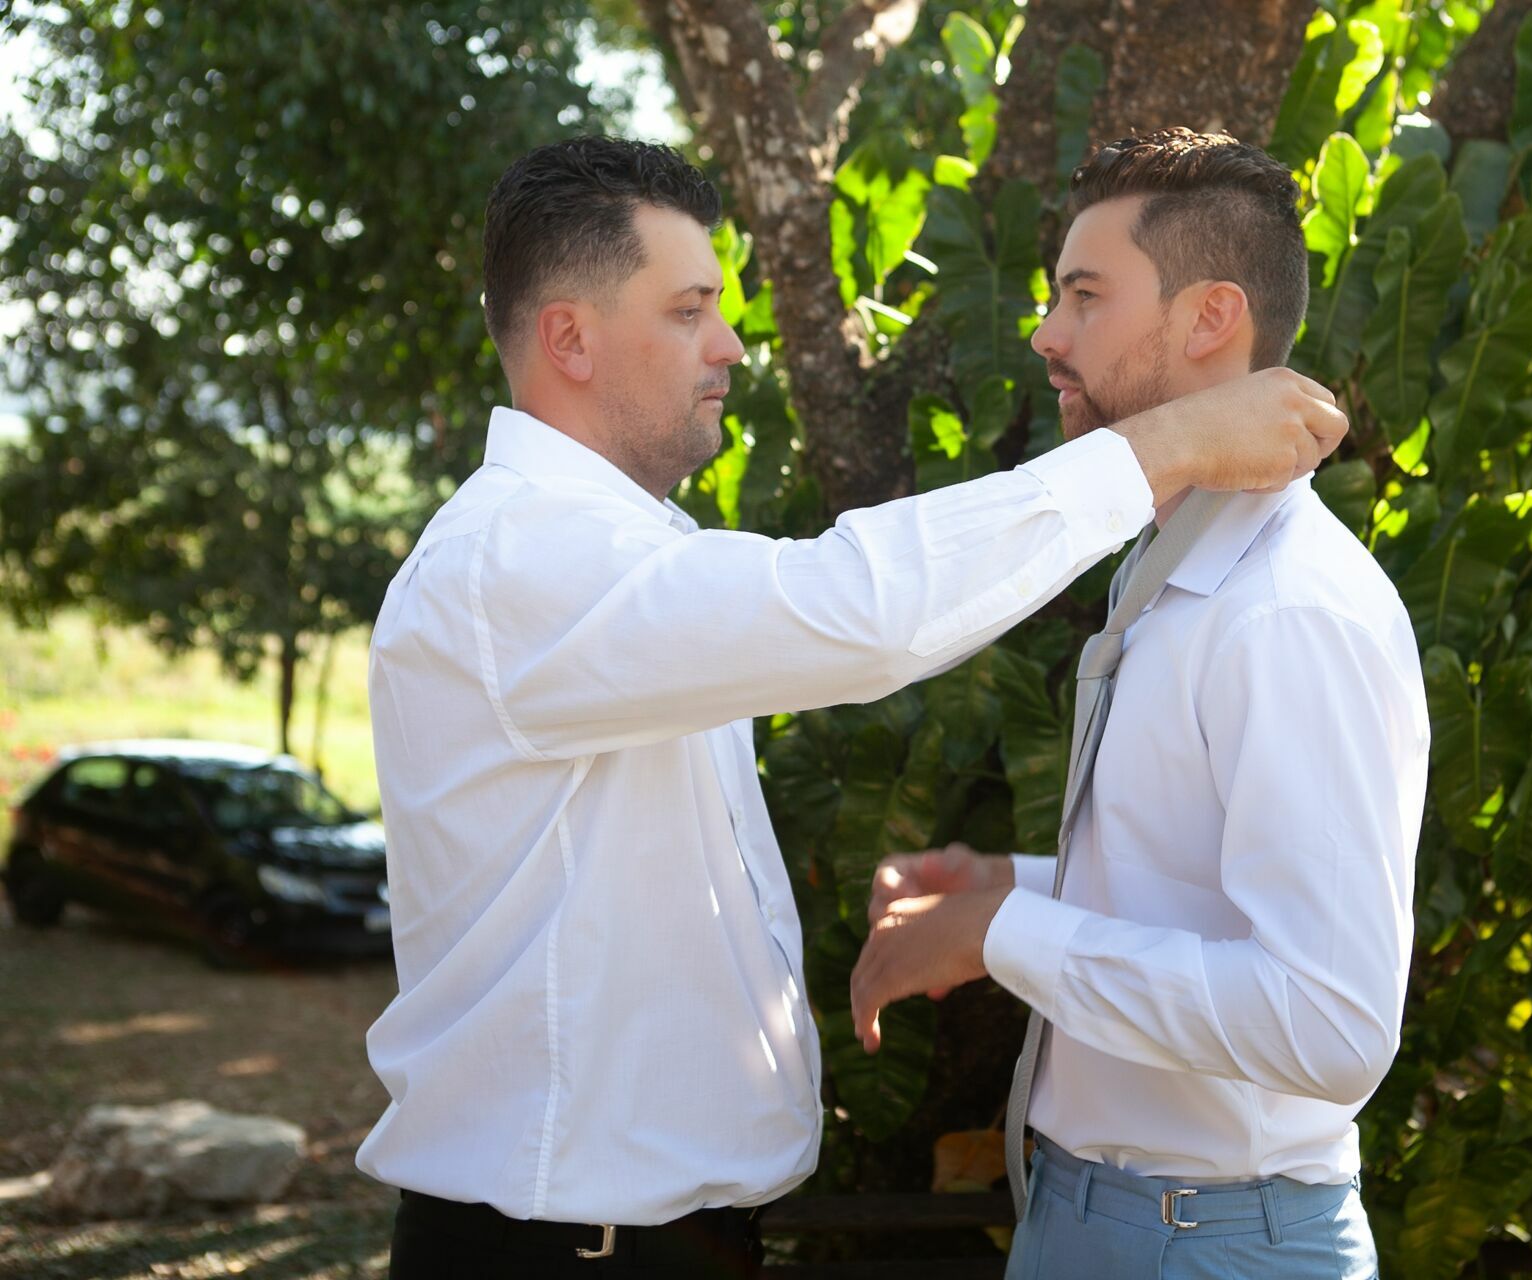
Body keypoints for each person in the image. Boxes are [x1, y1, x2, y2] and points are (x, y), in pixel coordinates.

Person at [356, 134, 1348, 1279]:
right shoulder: (521, 561)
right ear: (568, 337)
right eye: (688, 311)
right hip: (565, 1252)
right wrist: (1163, 448)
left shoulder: (617, 553)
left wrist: (1014, 889)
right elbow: (863, 608)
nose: (728, 345)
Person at [853, 128, 1430, 1279]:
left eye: (1084, 296)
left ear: (1211, 318)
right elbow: (1206, 901)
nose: (1046, 334)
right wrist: (1006, 885)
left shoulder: (1290, 613)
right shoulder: (1167, 571)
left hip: (1214, 1243)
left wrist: (1005, 935)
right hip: (1104, 1221)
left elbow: (1330, 1022)